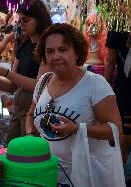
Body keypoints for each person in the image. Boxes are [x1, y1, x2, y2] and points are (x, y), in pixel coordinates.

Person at [25, 23, 123, 186]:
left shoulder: (95, 84)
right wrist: (29, 135)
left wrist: (78, 128)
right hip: (46, 177)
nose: (56, 56)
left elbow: (115, 130)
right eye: (50, 51)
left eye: (63, 49)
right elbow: (30, 115)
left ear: (76, 52)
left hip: (85, 178)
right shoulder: (44, 81)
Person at [0, 0, 52, 143]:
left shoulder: (48, 47)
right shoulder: (23, 44)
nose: (21, 24)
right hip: (18, 108)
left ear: (39, 19)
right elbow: (12, 85)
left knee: (26, 156)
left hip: (36, 110)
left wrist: (6, 73)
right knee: (11, 149)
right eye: (19, 21)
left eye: (25, 20)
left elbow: (38, 86)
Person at [105, 28, 131, 161]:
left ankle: (120, 167)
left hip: (125, 86)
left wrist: (105, 86)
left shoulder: (117, 27)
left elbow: (110, 61)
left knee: (126, 128)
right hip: (124, 87)